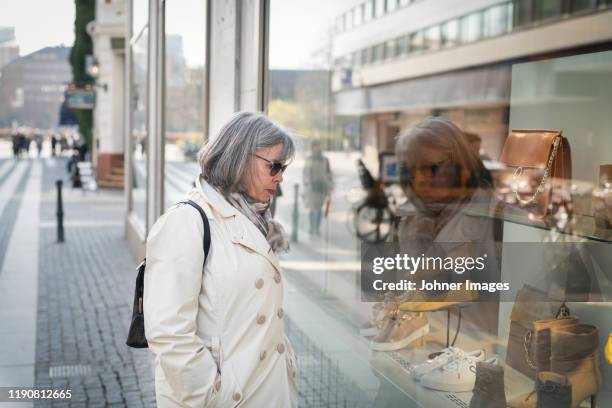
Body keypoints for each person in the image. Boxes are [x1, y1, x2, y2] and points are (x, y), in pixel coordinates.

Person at [144, 112, 298, 408]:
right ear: (240, 158)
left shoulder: (256, 219)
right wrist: (214, 394)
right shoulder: (186, 221)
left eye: (283, 168)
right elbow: (168, 332)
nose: (280, 177)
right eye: (274, 166)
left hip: (266, 388)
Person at [302, 139, 333, 236]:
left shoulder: (325, 159)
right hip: (312, 187)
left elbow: (329, 173)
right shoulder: (309, 159)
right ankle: (311, 227)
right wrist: (306, 183)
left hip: (322, 187)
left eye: (319, 145)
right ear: (313, 147)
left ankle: (317, 228)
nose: (318, 147)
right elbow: (305, 172)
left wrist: (330, 185)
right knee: (312, 208)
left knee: (319, 208)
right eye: (316, 145)